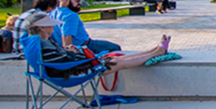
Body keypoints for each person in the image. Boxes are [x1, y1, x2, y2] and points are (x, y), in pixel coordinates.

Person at [26, 13, 171, 76]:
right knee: (118, 62)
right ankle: (157, 52)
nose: (53, 27)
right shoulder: (43, 44)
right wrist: (77, 55)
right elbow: (60, 63)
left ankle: (155, 51)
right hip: (72, 71)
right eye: (50, 25)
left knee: (117, 58)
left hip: (73, 66)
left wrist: (69, 51)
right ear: (42, 28)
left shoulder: (41, 41)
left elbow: (59, 58)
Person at [50, 0, 122, 53]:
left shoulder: (53, 13)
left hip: (60, 46)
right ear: (66, 1)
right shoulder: (70, 15)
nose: (80, 3)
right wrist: (69, 54)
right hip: (85, 46)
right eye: (77, 0)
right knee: (116, 48)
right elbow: (66, 37)